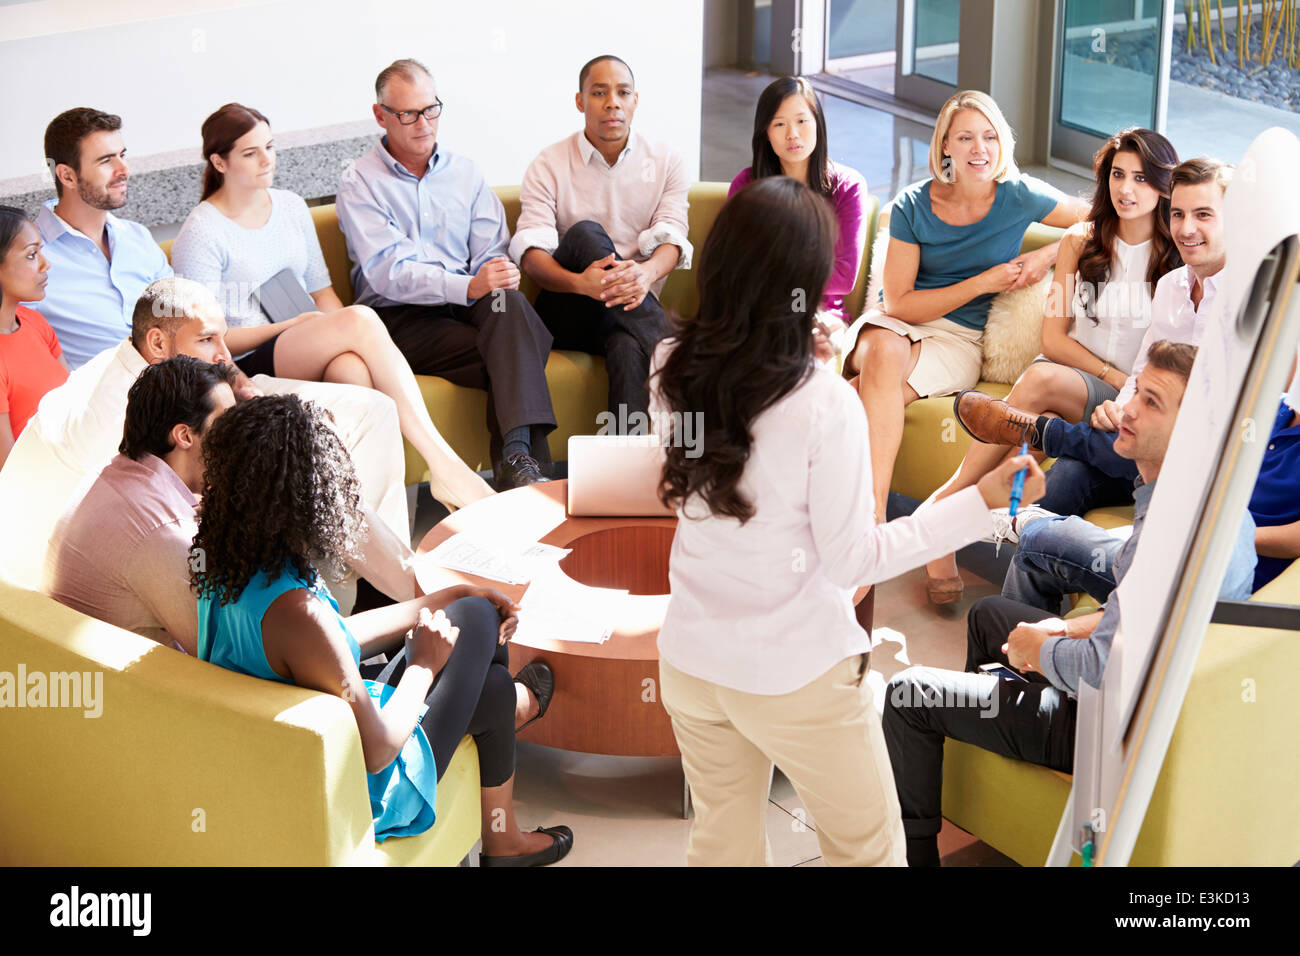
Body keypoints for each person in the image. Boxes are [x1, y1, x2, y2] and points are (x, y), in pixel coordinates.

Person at [649, 176, 1046, 867]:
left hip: (691, 658)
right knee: (868, 852)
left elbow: (738, 466)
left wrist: (814, 364)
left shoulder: (669, 367)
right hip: (796, 675)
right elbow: (853, 562)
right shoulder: (823, 402)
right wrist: (978, 503)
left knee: (720, 847)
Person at [881, 341, 1253, 867]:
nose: (1128, 409)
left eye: (1151, 402)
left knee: (906, 694)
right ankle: (986, 761)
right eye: (1136, 393)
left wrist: (1041, 647)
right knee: (990, 616)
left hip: (1110, 723)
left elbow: (1104, 671)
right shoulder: (1215, 497)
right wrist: (1065, 631)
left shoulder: (1169, 530)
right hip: (1147, 689)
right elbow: (1147, 622)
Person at [192, 393, 571, 864]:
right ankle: (505, 815)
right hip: (365, 784)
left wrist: (443, 598)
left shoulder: (231, 568)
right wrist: (424, 667)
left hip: (293, 756)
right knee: (478, 621)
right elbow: (379, 750)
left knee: (481, 652)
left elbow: (332, 642)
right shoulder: (296, 611)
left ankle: (504, 833)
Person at [170, 103, 492, 508]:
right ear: (219, 161)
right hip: (245, 362)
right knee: (360, 318)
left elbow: (323, 294)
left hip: (300, 341)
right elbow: (205, 342)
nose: (266, 160)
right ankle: (444, 465)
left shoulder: (289, 206)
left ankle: (366, 518)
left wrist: (330, 332)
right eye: (251, 153)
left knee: (353, 372)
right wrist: (295, 324)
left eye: (269, 147)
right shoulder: (202, 231)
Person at [20, 278, 415, 602]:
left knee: (371, 409)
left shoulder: (160, 367)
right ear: (157, 343)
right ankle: (356, 594)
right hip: (62, 572)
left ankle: (374, 581)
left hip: (162, 521)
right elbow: (159, 510)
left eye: (222, 339)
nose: (224, 355)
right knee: (283, 463)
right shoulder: (118, 412)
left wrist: (241, 388)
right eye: (208, 340)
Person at [919, 129, 1182, 601]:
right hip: (1074, 382)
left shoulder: (1175, 262)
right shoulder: (1081, 242)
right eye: (1118, 175)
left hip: (1120, 403)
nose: (1126, 189)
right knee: (1046, 392)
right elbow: (1053, 338)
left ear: (1163, 186)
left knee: (1042, 391)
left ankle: (949, 505)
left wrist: (1125, 389)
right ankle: (964, 511)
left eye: (1142, 179)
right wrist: (1112, 377)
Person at [842, 90, 1087, 547]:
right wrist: (982, 282)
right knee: (883, 350)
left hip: (960, 339)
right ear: (945, 147)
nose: (980, 149)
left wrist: (1048, 256)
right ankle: (876, 516)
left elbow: (1095, 219)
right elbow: (898, 303)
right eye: (966, 138)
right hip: (899, 322)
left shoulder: (1019, 196)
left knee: (855, 399)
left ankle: (823, 510)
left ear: (1001, 144)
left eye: (990, 137)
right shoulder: (913, 204)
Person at [954, 158, 1232, 525]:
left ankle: (1042, 433)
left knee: (1082, 419)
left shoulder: (1249, 300)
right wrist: (1121, 406)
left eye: (1204, 215)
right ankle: (993, 515)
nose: (1187, 227)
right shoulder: (1170, 286)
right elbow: (1142, 369)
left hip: (1195, 449)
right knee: (1051, 498)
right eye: (1178, 214)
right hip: (1129, 424)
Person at [336, 58, 556, 489]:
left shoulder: (465, 172)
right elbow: (387, 272)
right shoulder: (359, 181)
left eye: (431, 109)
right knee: (518, 346)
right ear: (381, 116)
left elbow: (491, 252)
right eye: (408, 114)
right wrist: (468, 285)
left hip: (472, 311)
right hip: (399, 320)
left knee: (508, 307)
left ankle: (517, 462)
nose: (423, 123)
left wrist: (489, 278)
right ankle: (526, 468)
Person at [513, 54, 690, 424]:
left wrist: (645, 274)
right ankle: (676, 353)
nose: (612, 102)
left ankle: (626, 467)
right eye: (599, 92)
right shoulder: (549, 164)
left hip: (629, 311)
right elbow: (531, 256)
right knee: (585, 233)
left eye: (623, 92)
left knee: (627, 349)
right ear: (580, 101)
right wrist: (581, 282)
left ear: (635, 101)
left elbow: (673, 236)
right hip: (569, 311)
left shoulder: (666, 160)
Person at [44, 357, 238, 654]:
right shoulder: (164, 530)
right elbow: (222, 650)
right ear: (184, 435)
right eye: (227, 424)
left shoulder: (113, 473)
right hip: (126, 689)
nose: (238, 438)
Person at [727, 75, 867, 362]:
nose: (793, 133)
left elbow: (843, 277)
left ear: (818, 124)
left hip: (822, 316)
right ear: (765, 131)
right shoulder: (746, 185)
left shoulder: (847, 186)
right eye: (779, 124)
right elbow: (735, 268)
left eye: (802, 121)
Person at [33, 108, 171, 369]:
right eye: (106, 160)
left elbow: (181, 318)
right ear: (67, 176)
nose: (124, 169)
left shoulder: (137, 237)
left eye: (122, 155)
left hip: (182, 384)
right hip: (113, 402)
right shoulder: (31, 257)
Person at [0, 205, 68, 468]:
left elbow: (76, 405)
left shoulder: (34, 322)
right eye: (31, 255)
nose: (45, 263)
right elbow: (9, 469)